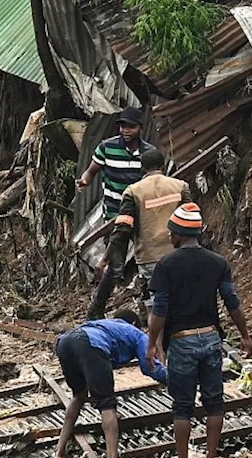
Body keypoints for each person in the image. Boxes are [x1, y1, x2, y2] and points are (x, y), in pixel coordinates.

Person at [147, 203, 252, 458]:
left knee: (182, 407)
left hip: (181, 342)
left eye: (171, 233)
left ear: (178, 234)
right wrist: (245, 336)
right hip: (210, 340)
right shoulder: (217, 262)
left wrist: (151, 344)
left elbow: (160, 310)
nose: (169, 237)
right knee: (214, 403)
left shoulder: (166, 264)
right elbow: (231, 301)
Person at [53, 309, 168, 458]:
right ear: (135, 323)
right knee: (107, 403)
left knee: (79, 396)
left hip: (65, 342)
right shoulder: (135, 332)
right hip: (91, 344)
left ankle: (59, 453)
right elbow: (150, 367)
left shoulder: (105, 325)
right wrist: (175, 379)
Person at [76, 108, 161, 320]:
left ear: (140, 128)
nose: (126, 130)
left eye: (130, 127)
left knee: (146, 263)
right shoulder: (107, 147)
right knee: (115, 268)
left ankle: (148, 310)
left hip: (142, 217)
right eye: (123, 126)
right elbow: (91, 170)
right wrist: (85, 180)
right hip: (114, 216)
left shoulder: (148, 153)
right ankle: (96, 310)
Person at [93, 148, 188, 318]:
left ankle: (157, 342)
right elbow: (191, 218)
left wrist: (105, 259)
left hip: (150, 256)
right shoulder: (180, 186)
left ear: (142, 168)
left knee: (158, 302)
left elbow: (122, 229)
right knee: (182, 296)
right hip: (179, 253)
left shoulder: (133, 192)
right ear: (164, 165)